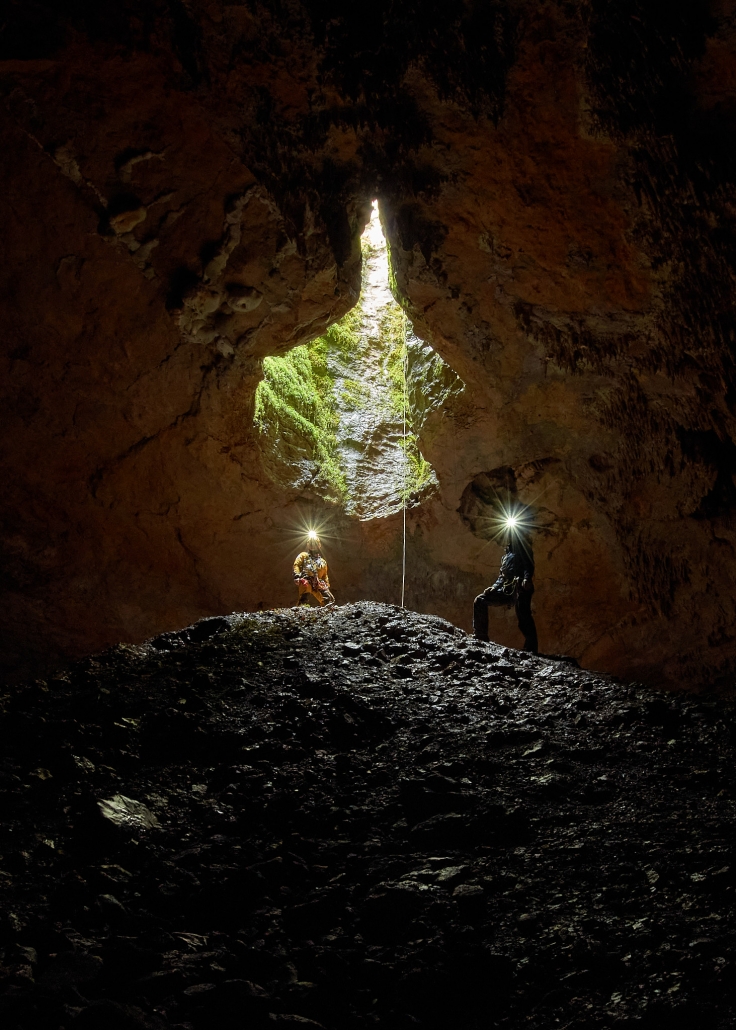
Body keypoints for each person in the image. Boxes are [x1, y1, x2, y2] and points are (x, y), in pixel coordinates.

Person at [473, 527, 538, 653]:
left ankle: (531, 648)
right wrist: (493, 588)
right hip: (507, 587)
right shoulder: (507, 555)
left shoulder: (524, 548)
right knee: (480, 600)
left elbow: (528, 565)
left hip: (520, 587)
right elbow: (502, 576)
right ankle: (480, 635)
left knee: (524, 618)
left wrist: (526, 579)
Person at [293, 533, 335, 606]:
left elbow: (325, 575)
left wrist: (326, 584)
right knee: (304, 597)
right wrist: (297, 576)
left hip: (317, 582)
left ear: (319, 545)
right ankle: (302, 611)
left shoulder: (322, 562)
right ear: (308, 545)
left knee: (328, 599)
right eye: (311, 544)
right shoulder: (303, 555)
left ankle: (327, 611)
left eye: (315, 544)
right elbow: (297, 565)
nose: (313, 546)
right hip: (306, 580)